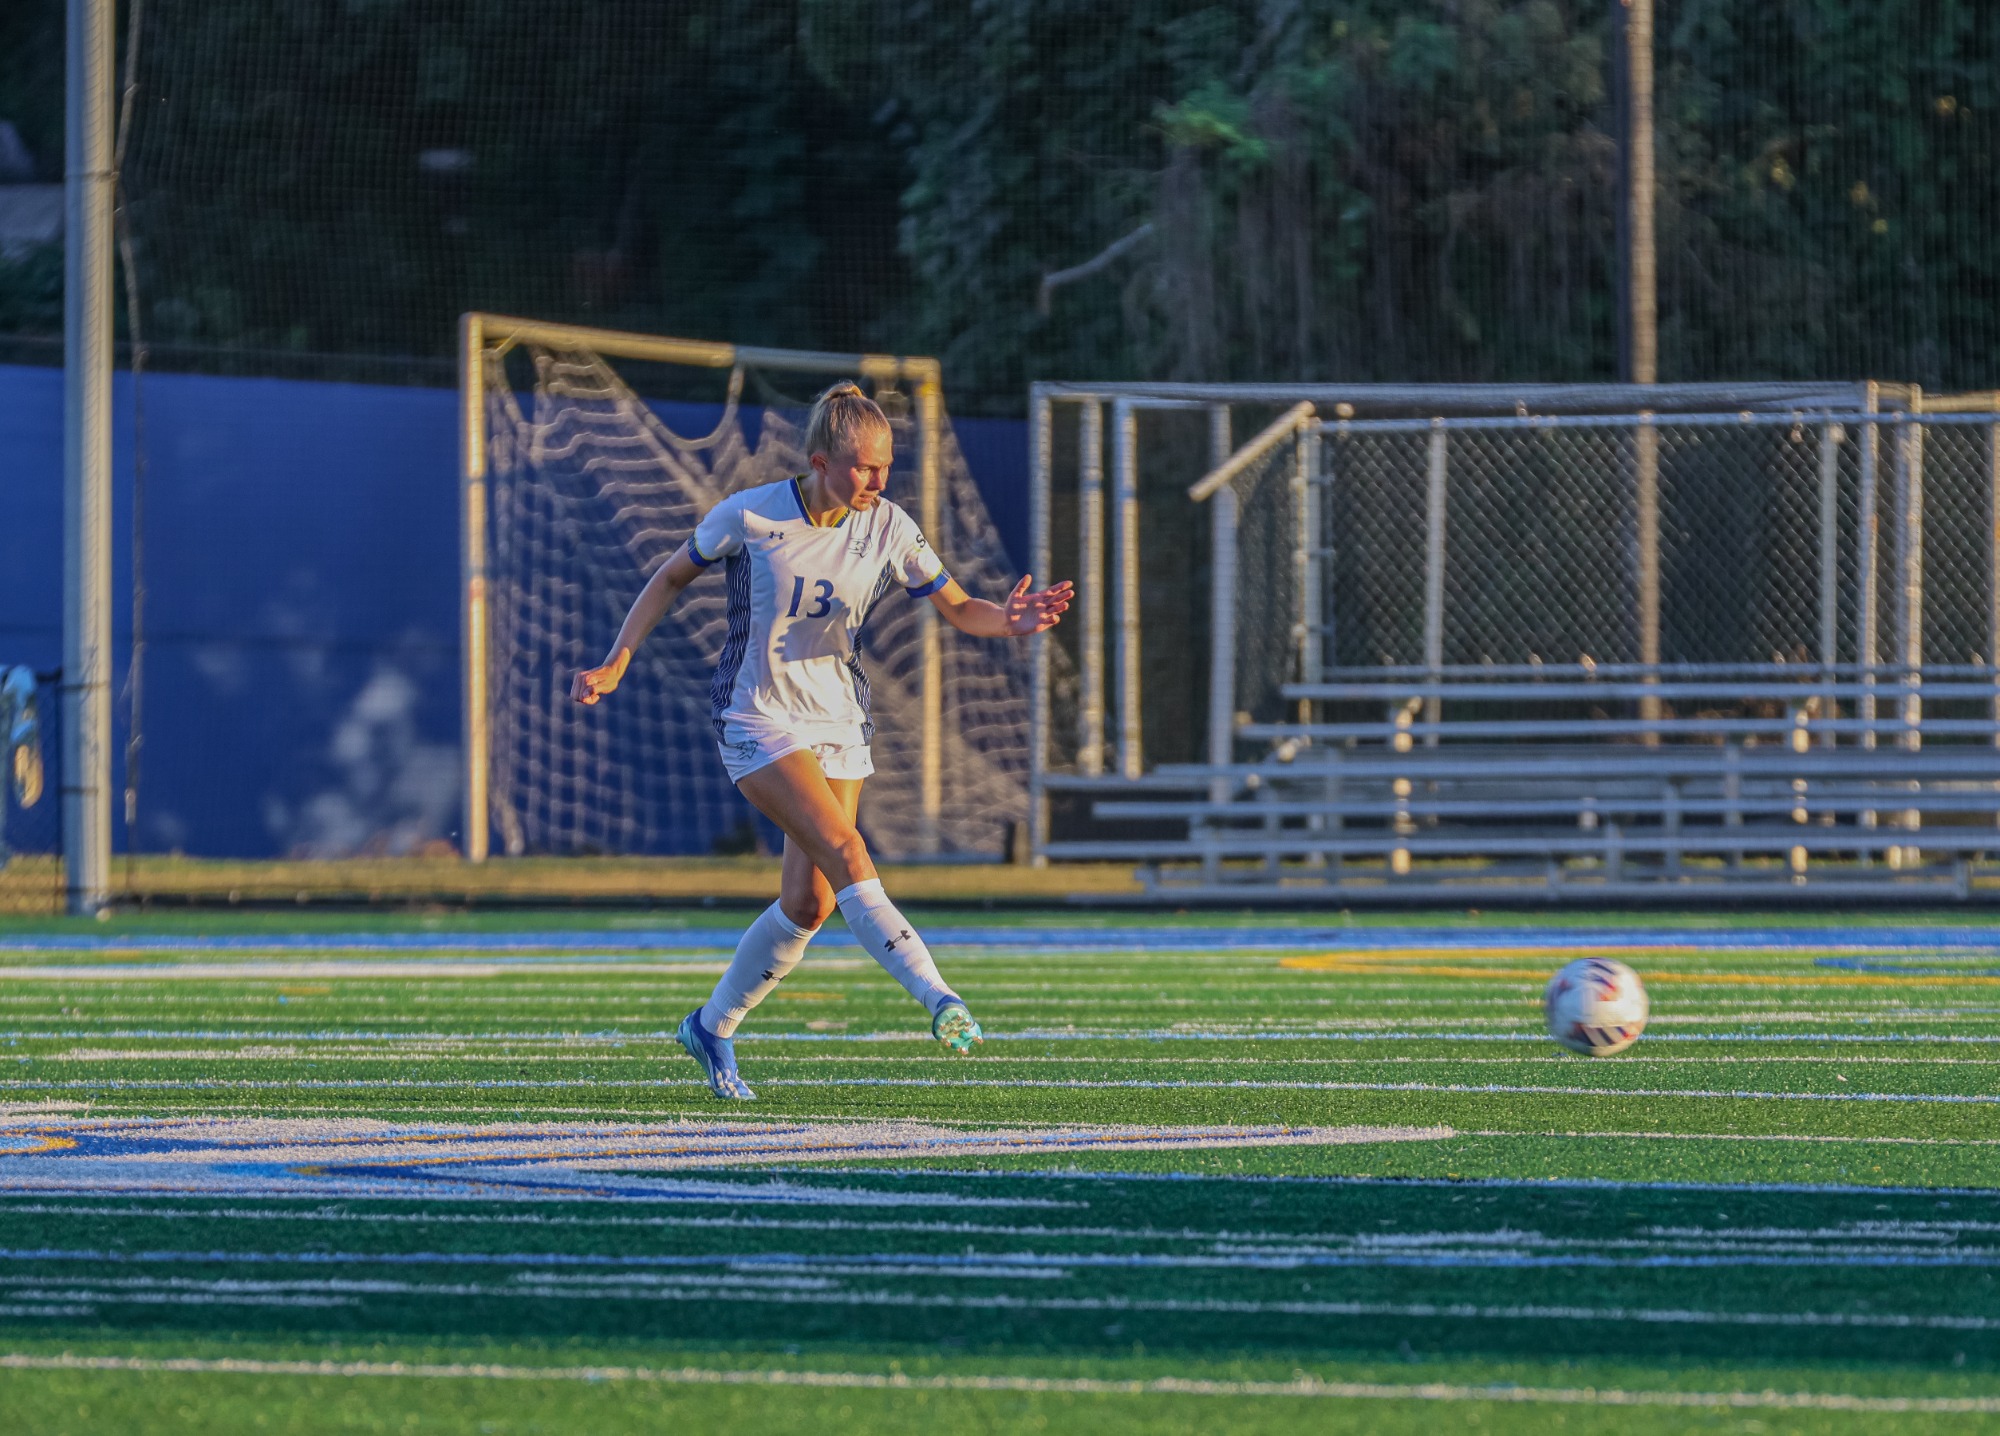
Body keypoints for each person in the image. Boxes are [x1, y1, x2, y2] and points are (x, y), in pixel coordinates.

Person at [570, 382, 1071, 1099]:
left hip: (838, 719)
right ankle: (939, 997)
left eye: (885, 466)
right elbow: (670, 576)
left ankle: (711, 1026)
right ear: (820, 463)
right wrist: (618, 659)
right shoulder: (749, 515)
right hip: (756, 714)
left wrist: (1008, 620)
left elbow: (961, 608)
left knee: (810, 905)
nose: (878, 480)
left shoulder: (890, 525)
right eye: (864, 467)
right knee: (847, 851)